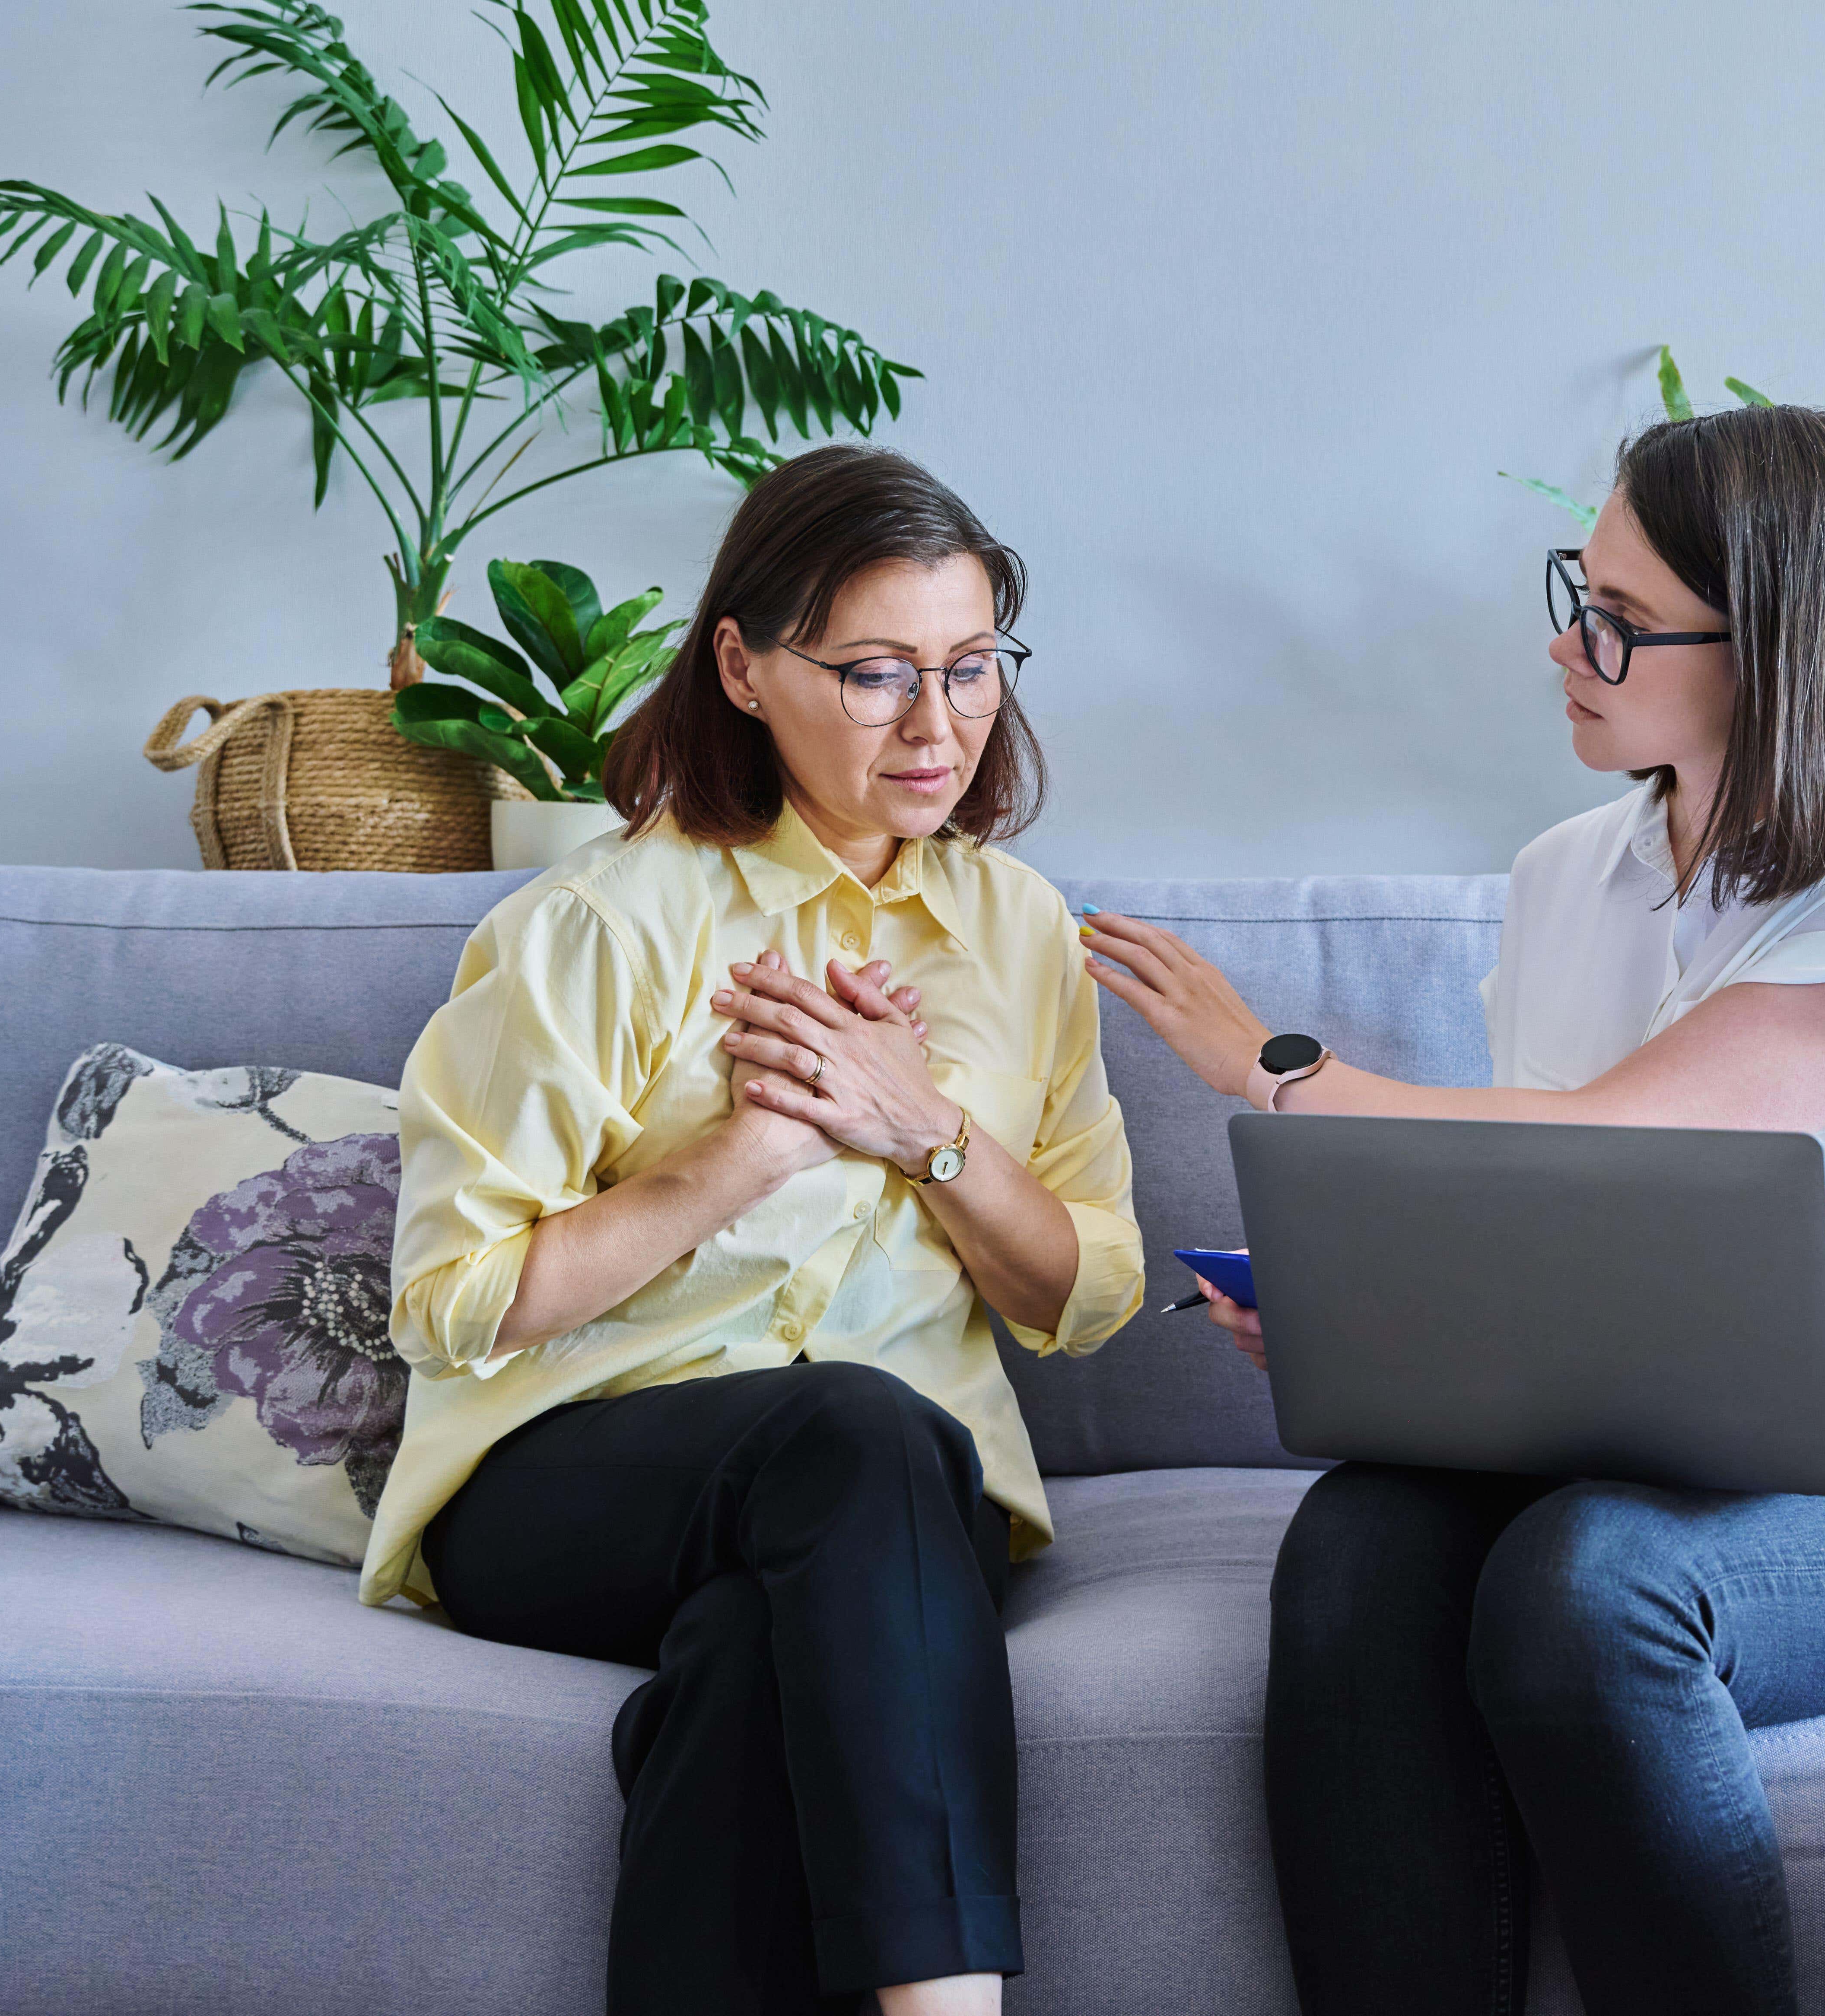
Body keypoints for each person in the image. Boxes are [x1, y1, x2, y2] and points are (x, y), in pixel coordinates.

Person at [1079, 403, 1825, 2016]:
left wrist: (1275, 1069)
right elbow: (1549, 1220)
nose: (1569, 645)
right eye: (1578, 591)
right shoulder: (1562, 873)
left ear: (1783, 646)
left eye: (1620, 622)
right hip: (1625, 1446)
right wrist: (1374, 1305)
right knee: (1356, 1546)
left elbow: (1637, 1139)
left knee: (1591, 1586)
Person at [359, 445, 1145, 2016]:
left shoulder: (1019, 931)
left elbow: (1086, 1294)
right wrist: (747, 1153)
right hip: (566, 1480)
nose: (939, 724)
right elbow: (448, 1304)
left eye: (972, 665)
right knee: (855, 1429)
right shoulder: (600, 927)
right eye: (874, 674)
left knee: (748, 1653)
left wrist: (920, 1127)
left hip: (897, 1521)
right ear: (742, 664)